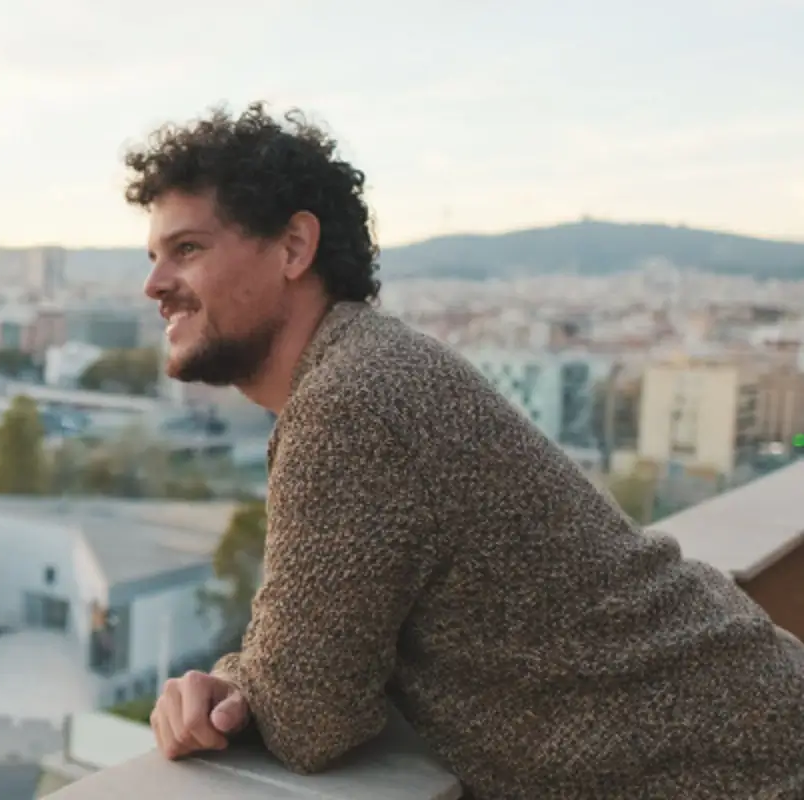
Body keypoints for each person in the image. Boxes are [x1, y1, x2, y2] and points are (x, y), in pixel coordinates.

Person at [129, 103, 804, 799]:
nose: (153, 285)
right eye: (153, 256)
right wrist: (249, 678)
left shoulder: (350, 401)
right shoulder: (373, 364)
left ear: (295, 247)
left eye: (188, 249)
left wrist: (241, 683)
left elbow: (309, 717)